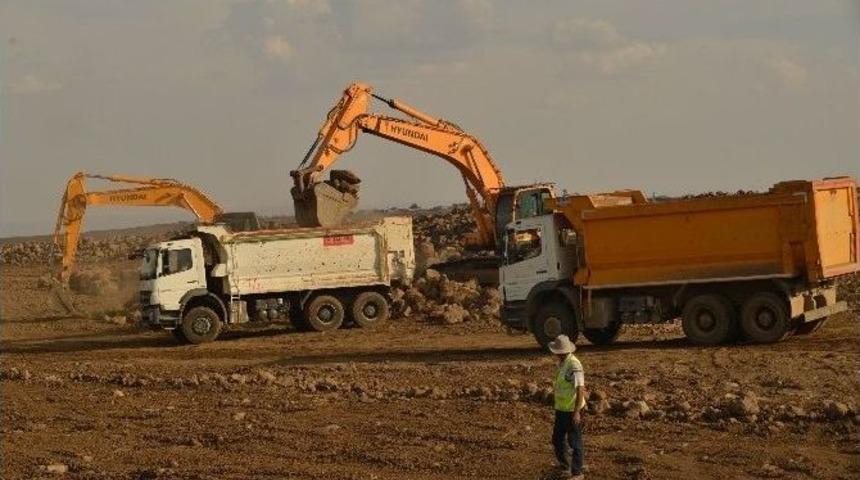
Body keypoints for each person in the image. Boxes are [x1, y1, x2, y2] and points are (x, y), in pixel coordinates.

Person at [548, 334, 586, 479]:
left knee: (574, 441)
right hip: (562, 409)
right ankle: (565, 465)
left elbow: (580, 389)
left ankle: (577, 472)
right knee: (557, 439)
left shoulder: (574, 365)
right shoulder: (564, 362)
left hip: (571, 410)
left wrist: (576, 412)